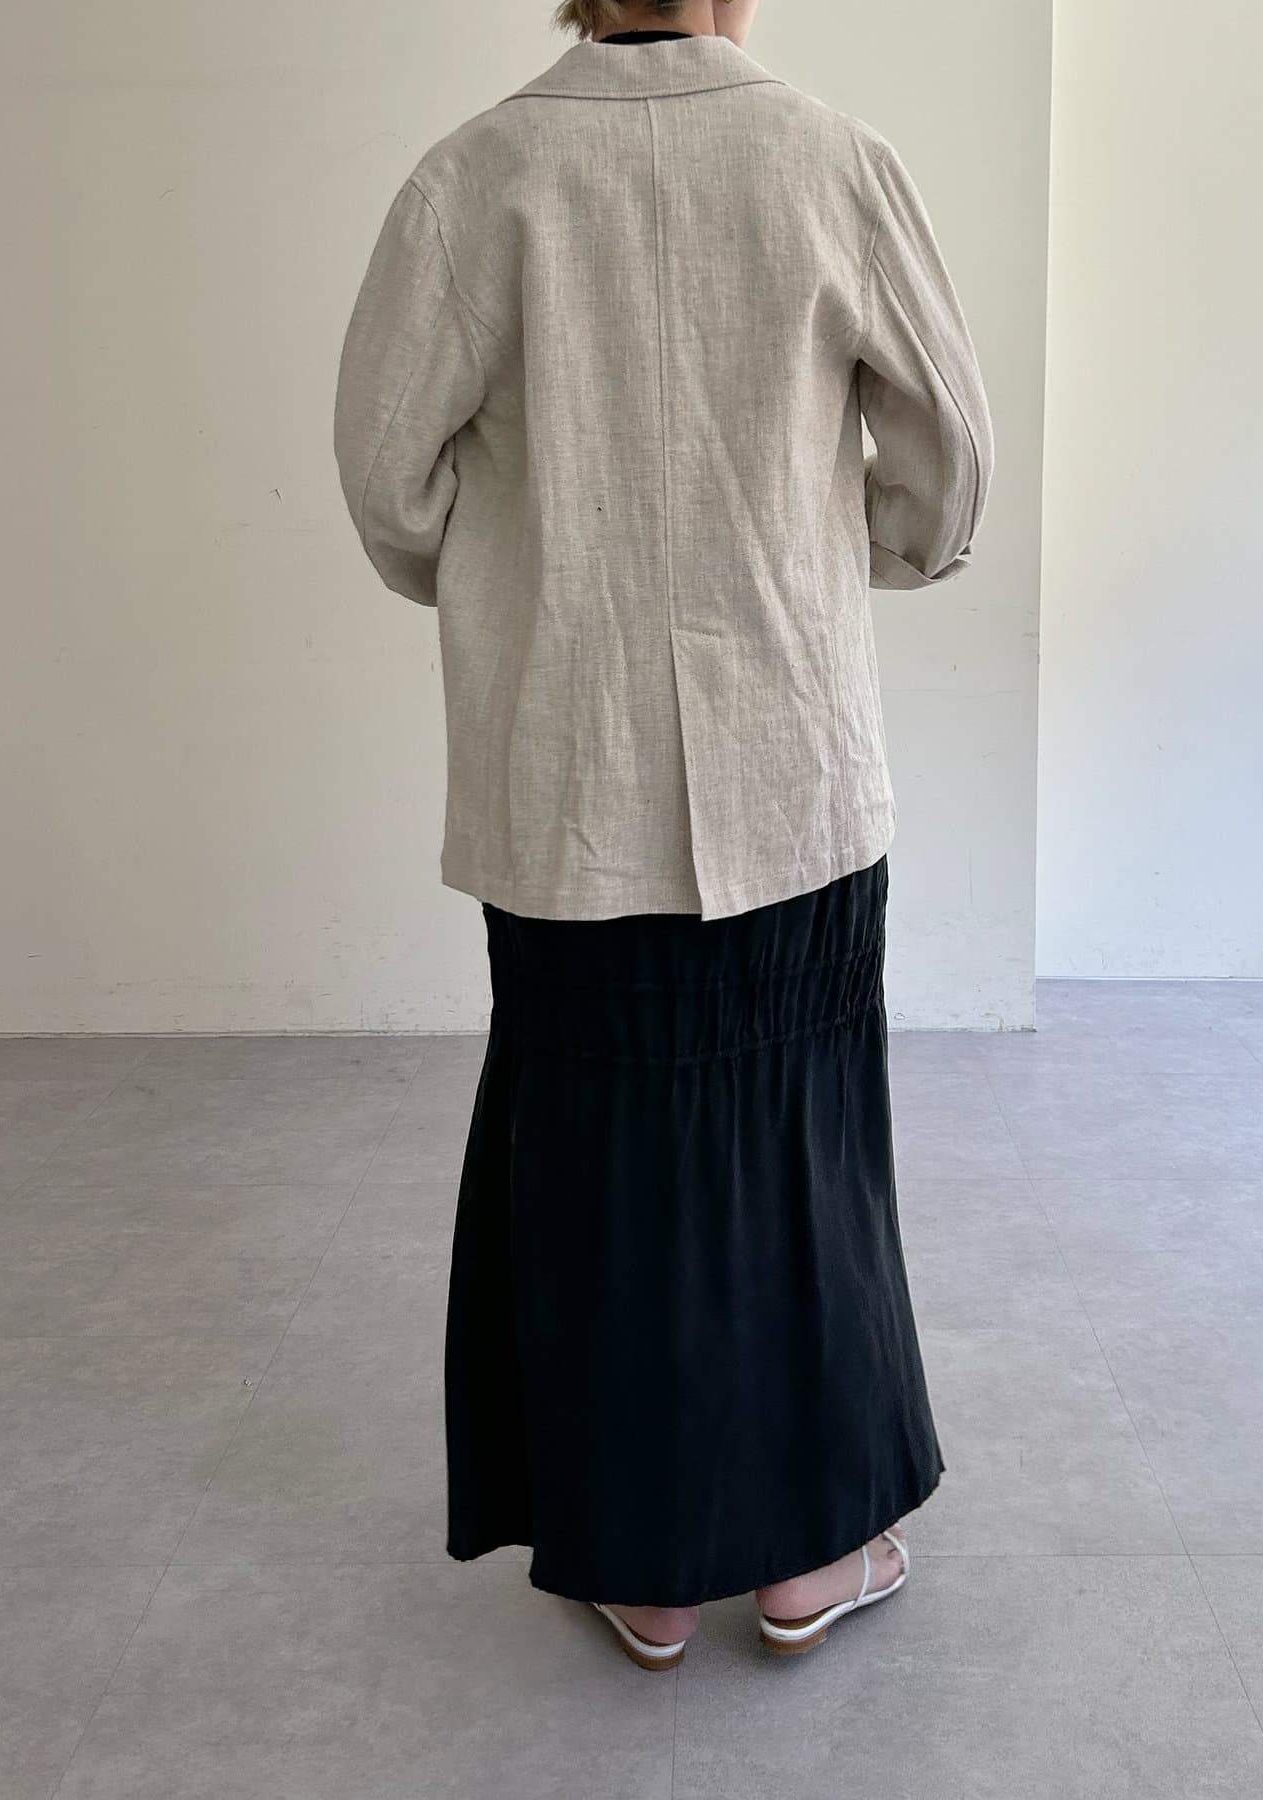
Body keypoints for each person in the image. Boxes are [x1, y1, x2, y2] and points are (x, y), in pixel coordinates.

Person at [333, 0, 994, 1669]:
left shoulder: (476, 179)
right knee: (799, 1152)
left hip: (568, 762)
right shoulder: (833, 164)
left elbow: (388, 484)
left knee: (597, 1158)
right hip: (791, 751)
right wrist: (849, 557)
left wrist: (513, 576)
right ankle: (809, 1555)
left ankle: (640, 1563)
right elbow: (948, 464)